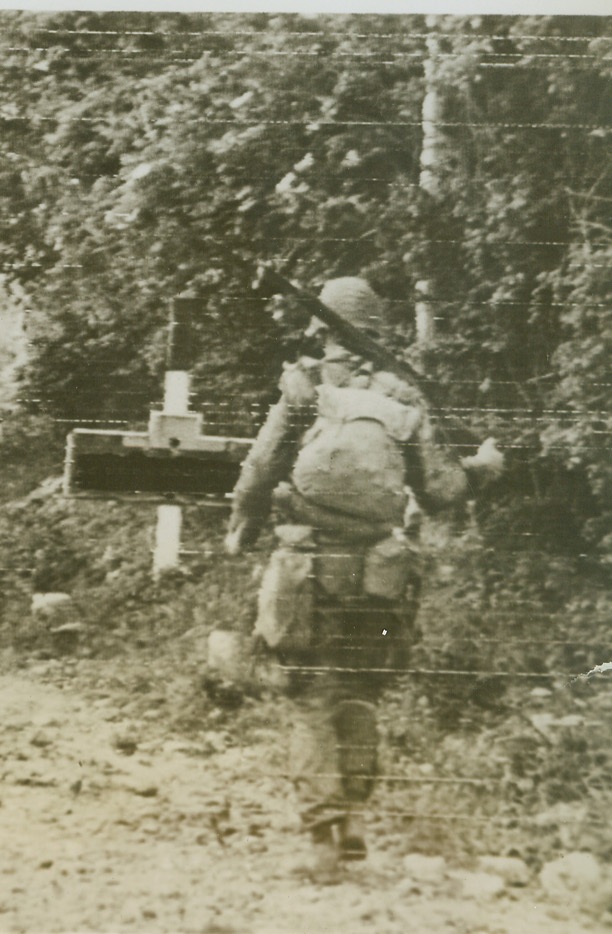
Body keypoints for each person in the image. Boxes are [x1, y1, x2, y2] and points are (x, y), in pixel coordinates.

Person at [223, 277, 503, 880]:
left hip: (309, 569)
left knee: (311, 700)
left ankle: (322, 840)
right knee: (360, 691)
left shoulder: (305, 391)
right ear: (374, 331)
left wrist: (242, 527)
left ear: (321, 332)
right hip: (382, 575)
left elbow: (258, 471)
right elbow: (442, 491)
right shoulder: (403, 398)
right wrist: (484, 468)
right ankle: (352, 820)